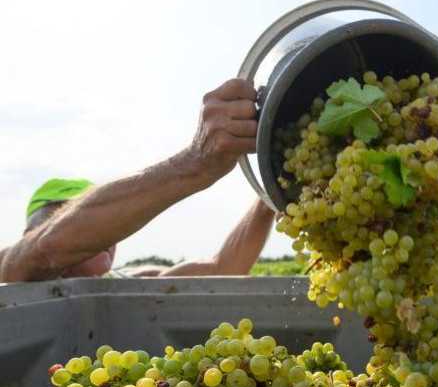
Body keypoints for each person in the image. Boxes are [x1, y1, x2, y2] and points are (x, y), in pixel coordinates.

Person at [0, 79, 275, 282]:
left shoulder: (129, 282)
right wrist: (195, 163)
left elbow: (223, 269)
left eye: (111, 222)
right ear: (30, 233)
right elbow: (46, 248)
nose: (105, 235)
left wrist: (269, 195)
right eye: (86, 221)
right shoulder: (10, 269)